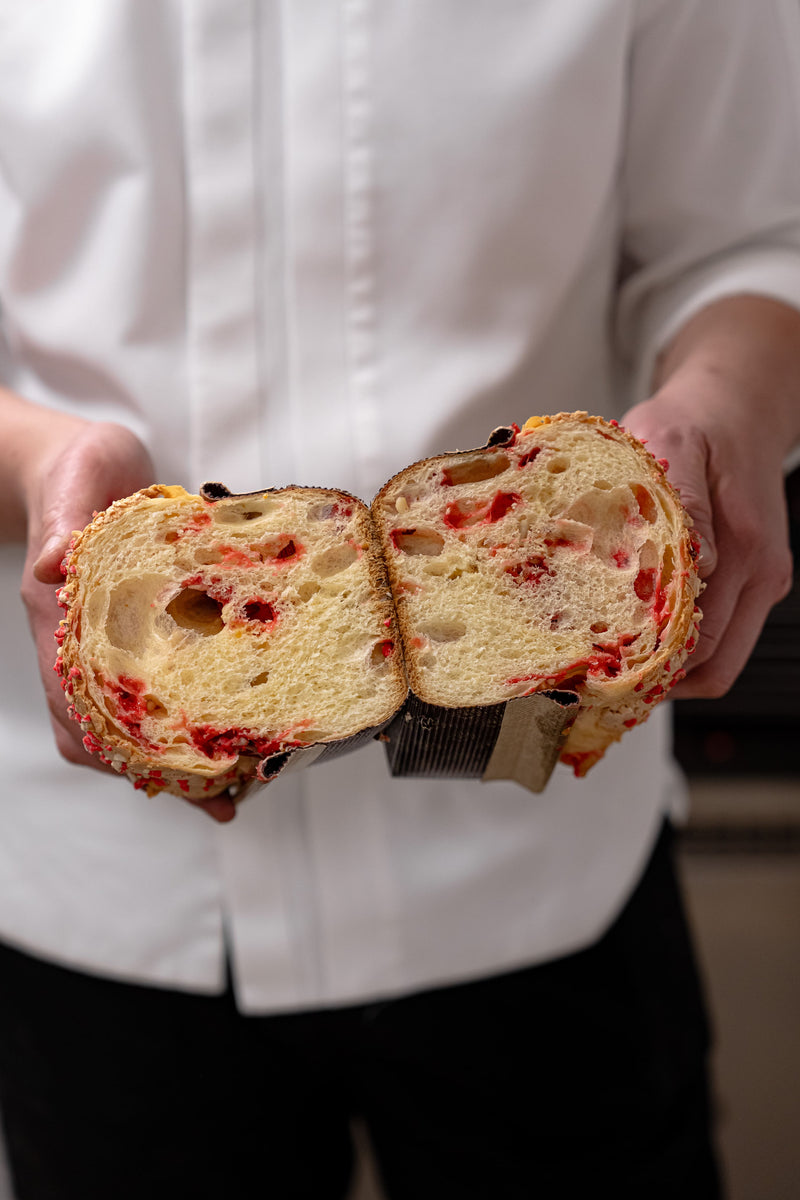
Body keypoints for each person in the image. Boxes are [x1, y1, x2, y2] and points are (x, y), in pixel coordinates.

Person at [1, 2, 799, 1197]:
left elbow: (747, 239)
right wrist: (34, 471)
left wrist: (728, 410)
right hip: (101, 893)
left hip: (541, 871)